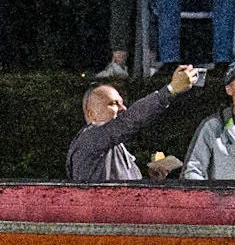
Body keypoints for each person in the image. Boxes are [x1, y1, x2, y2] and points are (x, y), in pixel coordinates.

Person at [67, 64, 200, 182]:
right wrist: (170, 90)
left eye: (122, 103)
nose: (123, 108)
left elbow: (128, 193)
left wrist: (151, 180)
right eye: (113, 104)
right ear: (91, 114)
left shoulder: (115, 145)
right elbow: (130, 119)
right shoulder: (89, 138)